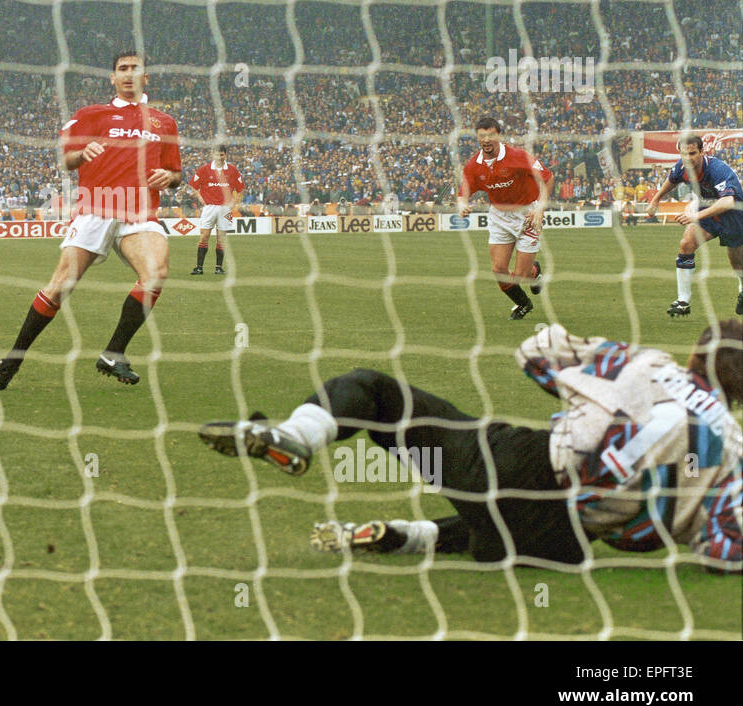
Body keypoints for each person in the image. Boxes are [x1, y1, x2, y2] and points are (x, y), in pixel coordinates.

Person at [198, 322, 741, 572]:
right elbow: (725, 550)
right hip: (562, 547)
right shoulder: (734, 452)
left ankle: (296, 436)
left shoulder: (650, 367)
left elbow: (535, 351)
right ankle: (409, 537)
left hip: (518, 468)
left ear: (695, 358)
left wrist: (582, 380)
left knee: (379, 394)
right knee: (512, 518)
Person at [0, 51, 182, 390]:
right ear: (113, 78)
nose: (128, 74)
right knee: (60, 286)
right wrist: (82, 153)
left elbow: (176, 173)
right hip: (97, 208)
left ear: (146, 78)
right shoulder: (91, 115)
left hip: (139, 212)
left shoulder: (163, 123)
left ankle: (113, 353)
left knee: (156, 273)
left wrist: (170, 176)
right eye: (122, 69)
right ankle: (12, 362)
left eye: (136, 69)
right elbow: (67, 160)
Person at [457, 117, 552, 320]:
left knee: (521, 276)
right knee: (498, 269)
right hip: (499, 216)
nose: (486, 139)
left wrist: (540, 209)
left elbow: (548, 178)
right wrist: (463, 204)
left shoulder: (518, 157)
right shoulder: (474, 165)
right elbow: (463, 192)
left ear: (499, 135)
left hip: (526, 215)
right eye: (482, 136)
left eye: (491, 135)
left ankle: (534, 272)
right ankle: (523, 304)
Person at [644, 134, 743, 318]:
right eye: (684, 154)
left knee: (737, 261)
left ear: (702, 152)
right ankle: (683, 301)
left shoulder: (718, 169)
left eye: (692, 153)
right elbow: (671, 180)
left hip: (733, 215)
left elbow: (728, 202)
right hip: (706, 210)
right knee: (686, 244)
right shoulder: (681, 167)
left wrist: (694, 215)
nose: (688, 158)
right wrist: (655, 200)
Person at [187, 145, 244, 276]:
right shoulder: (204, 169)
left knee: (221, 238)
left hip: (225, 209)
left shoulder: (232, 170)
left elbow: (241, 189)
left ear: (226, 155)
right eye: (217, 154)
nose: (220, 157)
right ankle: (199, 267)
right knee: (204, 236)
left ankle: (218, 267)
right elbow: (193, 186)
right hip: (209, 208)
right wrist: (200, 197)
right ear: (213, 155)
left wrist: (234, 202)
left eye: (222, 154)